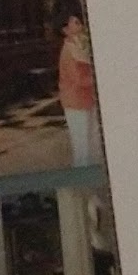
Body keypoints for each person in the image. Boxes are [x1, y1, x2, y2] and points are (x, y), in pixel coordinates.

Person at [58, 15, 99, 166]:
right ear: (65, 29)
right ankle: (81, 186)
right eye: (75, 22)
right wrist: (97, 79)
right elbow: (78, 80)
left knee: (93, 144)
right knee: (82, 147)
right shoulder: (68, 52)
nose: (80, 24)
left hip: (88, 100)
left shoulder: (80, 46)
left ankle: (92, 181)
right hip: (75, 102)